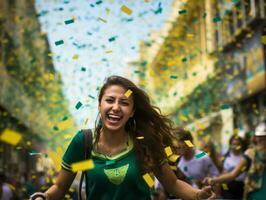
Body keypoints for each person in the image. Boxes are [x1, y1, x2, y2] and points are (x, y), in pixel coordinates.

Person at [30, 75, 215, 200]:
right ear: (99, 105)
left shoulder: (145, 143)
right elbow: (61, 188)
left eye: (124, 103)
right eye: (110, 100)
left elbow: (172, 184)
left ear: (132, 111)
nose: (116, 107)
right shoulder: (83, 142)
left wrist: (199, 195)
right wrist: (42, 197)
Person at [203, 121, 266, 200]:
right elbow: (232, 174)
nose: (262, 141)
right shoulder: (250, 154)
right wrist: (214, 180)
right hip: (254, 193)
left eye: (264, 137)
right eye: (260, 138)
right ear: (256, 139)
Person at [219, 135, 246, 199]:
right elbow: (222, 172)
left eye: (238, 144)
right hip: (228, 188)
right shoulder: (225, 157)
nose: (235, 146)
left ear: (241, 145)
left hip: (242, 187)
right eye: (233, 144)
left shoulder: (245, 156)